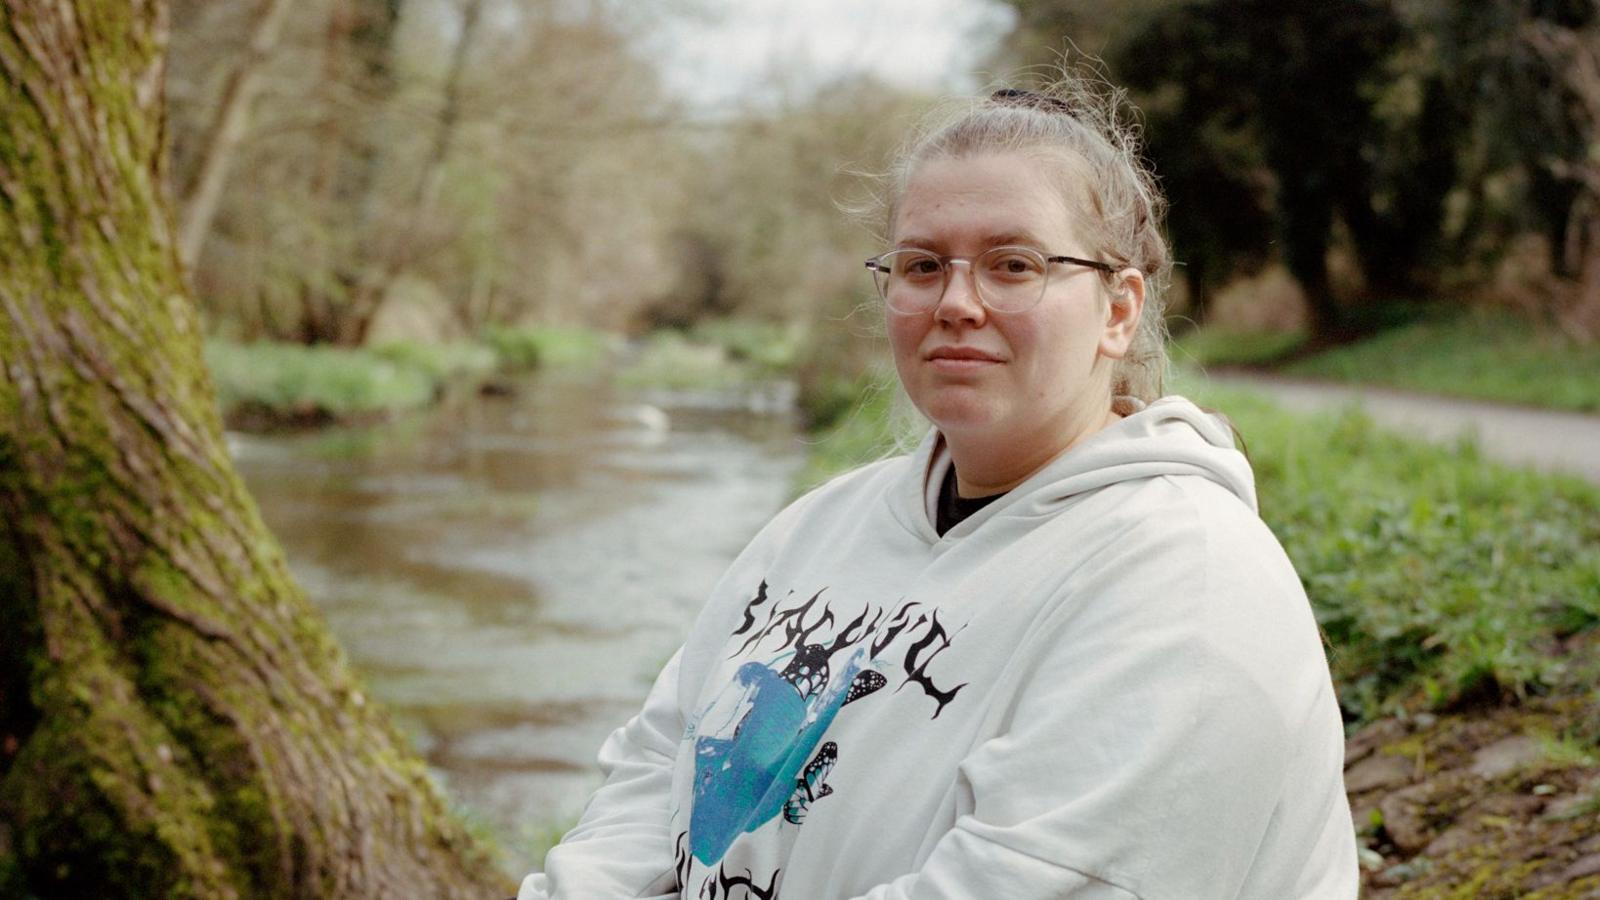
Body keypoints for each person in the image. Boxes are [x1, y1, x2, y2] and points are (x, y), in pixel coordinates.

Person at [518, 76, 1357, 900]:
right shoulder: (814, 531)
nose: (956, 302)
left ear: (1118, 310)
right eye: (923, 265)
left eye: (1014, 264)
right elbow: (653, 770)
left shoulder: (1188, 581)